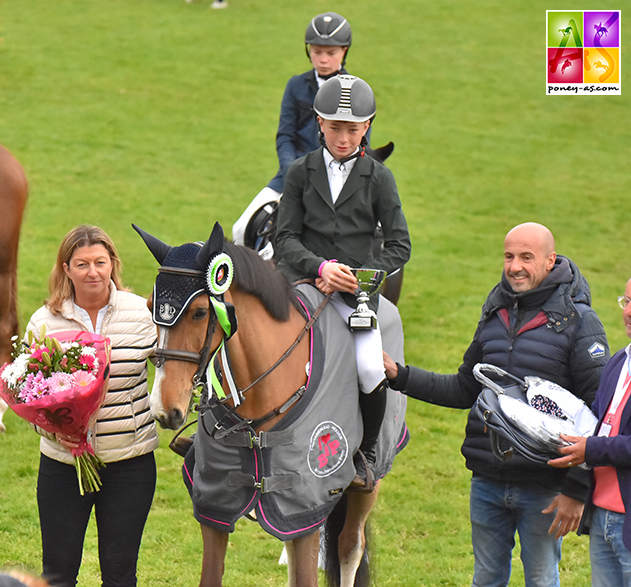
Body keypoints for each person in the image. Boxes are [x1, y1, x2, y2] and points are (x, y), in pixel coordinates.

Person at [384, 222, 608, 586]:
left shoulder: (580, 323)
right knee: (485, 578)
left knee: (540, 579)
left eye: (526, 257)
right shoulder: (495, 311)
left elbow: (599, 417)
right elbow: (463, 388)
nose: (514, 266)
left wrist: (576, 489)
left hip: (545, 487)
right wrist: (400, 375)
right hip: (487, 480)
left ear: (550, 260)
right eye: (508, 256)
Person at [275, 73, 411, 483]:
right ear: (319, 122)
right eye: (335, 127)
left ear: (367, 126)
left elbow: (399, 247)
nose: (344, 138)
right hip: (302, 283)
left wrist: (360, 278)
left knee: (371, 369)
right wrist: (319, 267)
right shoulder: (300, 172)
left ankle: (364, 456)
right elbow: (285, 238)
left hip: (356, 295)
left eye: (353, 129)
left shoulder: (379, 178)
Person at [25, 225, 158, 587]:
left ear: (113, 264)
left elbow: (170, 371)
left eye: (100, 262)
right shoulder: (44, 321)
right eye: (82, 264)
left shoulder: (143, 315)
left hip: (129, 464)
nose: (93, 272)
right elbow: (28, 393)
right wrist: (52, 428)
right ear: (66, 269)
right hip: (62, 465)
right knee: (57, 572)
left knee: (119, 575)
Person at [233, 12, 353, 250]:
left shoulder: (354, 92)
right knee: (239, 229)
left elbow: (359, 144)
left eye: (331, 53)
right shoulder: (295, 85)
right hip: (289, 176)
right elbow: (285, 136)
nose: (323, 59)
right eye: (317, 52)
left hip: (335, 181)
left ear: (344, 52)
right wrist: (292, 171)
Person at [548, 277, 631, 586]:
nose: (629, 312)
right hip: (603, 517)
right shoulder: (617, 363)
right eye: (627, 302)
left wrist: (591, 449)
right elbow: (594, 423)